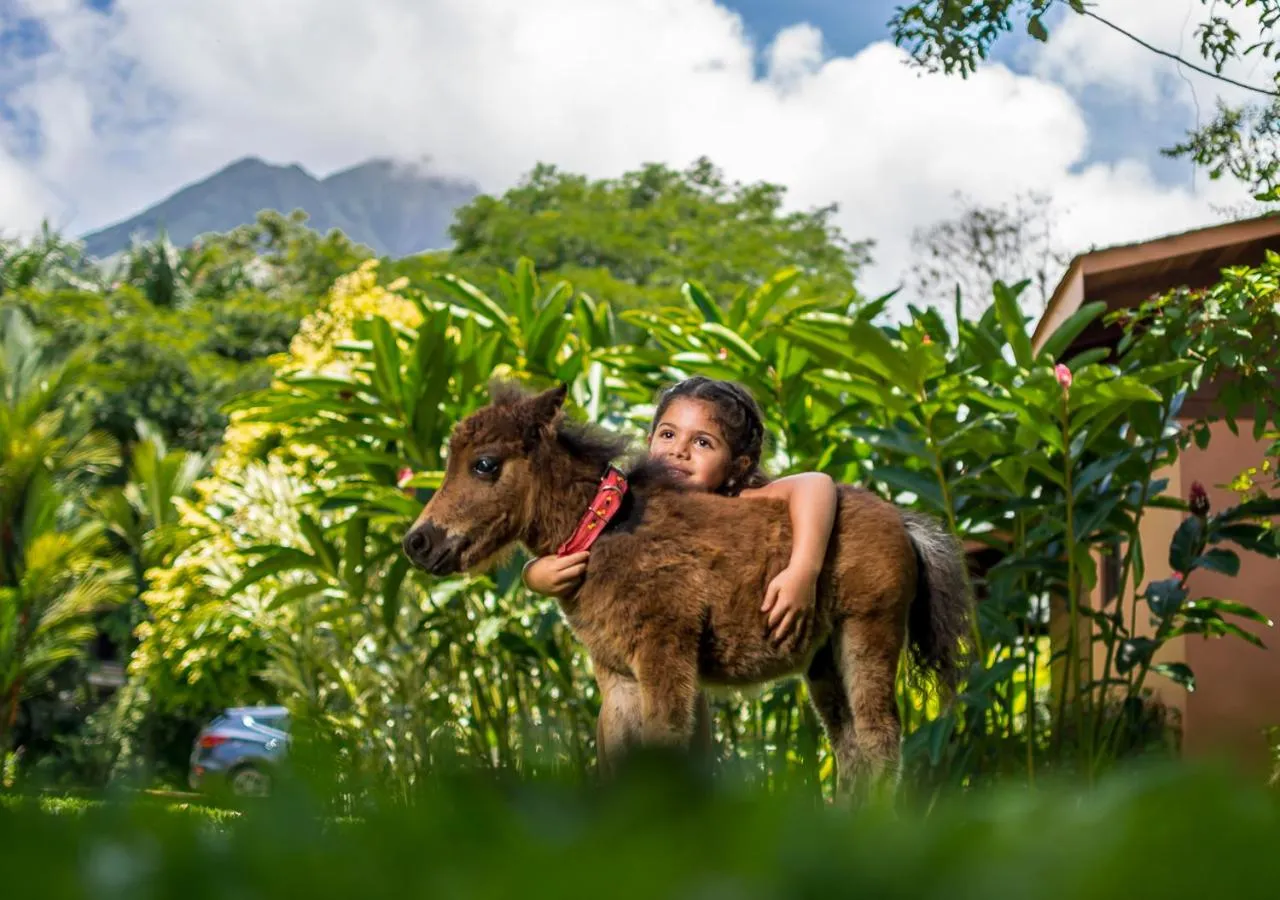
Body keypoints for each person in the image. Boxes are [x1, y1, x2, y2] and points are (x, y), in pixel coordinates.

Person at [521, 375, 838, 644]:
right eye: (668, 434)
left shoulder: (737, 503)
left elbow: (816, 484)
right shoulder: (630, 502)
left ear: (737, 466)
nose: (679, 451)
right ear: (650, 442)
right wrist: (534, 575)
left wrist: (803, 572)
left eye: (702, 442)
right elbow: (581, 536)